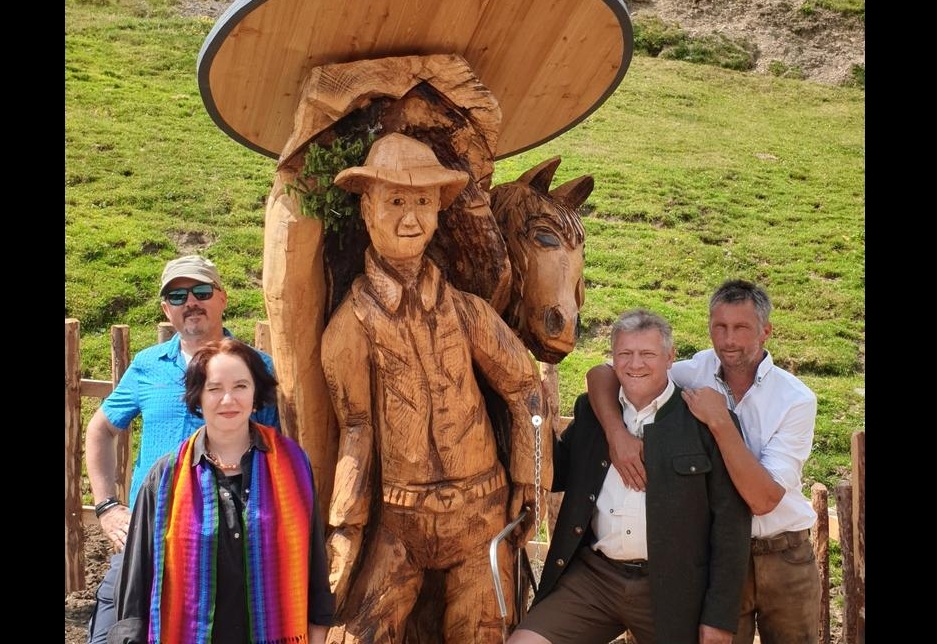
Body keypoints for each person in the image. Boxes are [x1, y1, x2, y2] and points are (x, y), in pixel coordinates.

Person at [321, 132, 551, 643]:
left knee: (484, 632)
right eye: (396, 200)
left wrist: (530, 479)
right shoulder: (349, 326)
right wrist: (346, 531)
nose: (411, 217)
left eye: (423, 201)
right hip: (400, 523)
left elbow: (524, 388)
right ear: (366, 208)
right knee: (357, 634)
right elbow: (355, 429)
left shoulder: (466, 311)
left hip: (482, 516)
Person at [585, 279, 821, 644]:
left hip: (784, 553)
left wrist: (720, 421)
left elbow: (763, 500)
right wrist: (617, 435)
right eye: (719, 327)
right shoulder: (690, 371)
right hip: (721, 558)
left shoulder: (795, 399)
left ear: (766, 331)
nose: (728, 340)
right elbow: (602, 374)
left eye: (741, 328)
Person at [509, 308, 751, 644]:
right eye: (625, 354)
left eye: (647, 354)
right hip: (594, 578)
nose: (635, 364)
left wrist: (719, 618)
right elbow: (558, 472)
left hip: (673, 588)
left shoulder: (703, 423)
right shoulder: (593, 413)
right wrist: (528, 416)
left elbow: (732, 525)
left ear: (670, 357)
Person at [84, 255, 280, 644]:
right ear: (165, 309)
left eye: (201, 291)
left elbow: (279, 448)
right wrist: (107, 507)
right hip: (148, 539)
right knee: (115, 633)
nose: (190, 301)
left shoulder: (258, 369)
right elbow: (101, 429)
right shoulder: (148, 365)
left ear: (222, 298)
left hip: (229, 543)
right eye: (177, 295)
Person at [107, 338, 334, 644]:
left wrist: (318, 630)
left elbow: (314, 561)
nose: (228, 399)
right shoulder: (165, 477)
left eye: (240, 386)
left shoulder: (293, 465)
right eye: (214, 388)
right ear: (198, 397)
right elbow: (137, 582)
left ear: (255, 395)